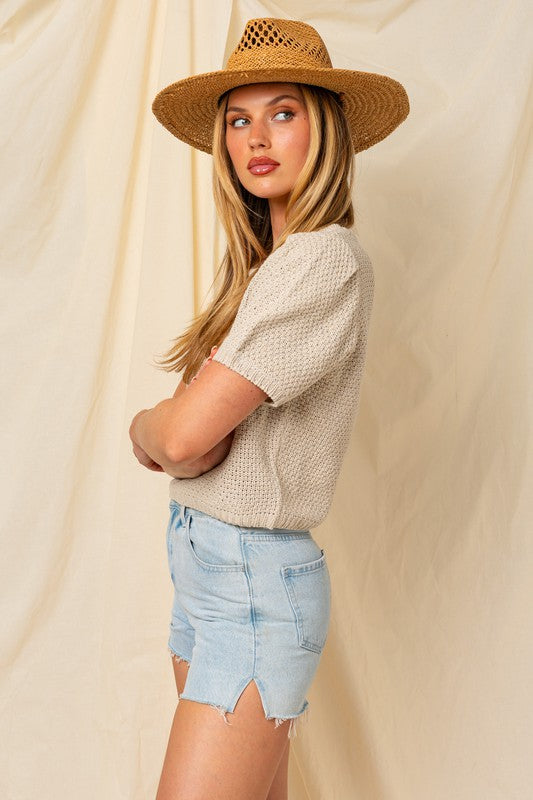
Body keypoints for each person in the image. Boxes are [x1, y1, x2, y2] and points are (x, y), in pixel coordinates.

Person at [129, 17, 409, 800]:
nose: (257, 137)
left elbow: (183, 436)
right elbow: (193, 442)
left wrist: (142, 428)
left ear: (323, 129)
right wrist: (178, 436)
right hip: (211, 573)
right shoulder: (267, 271)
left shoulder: (320, 259)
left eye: (282, 112)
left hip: (250, 580)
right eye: (238, 119)